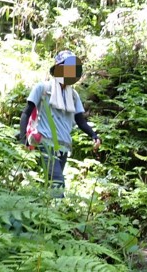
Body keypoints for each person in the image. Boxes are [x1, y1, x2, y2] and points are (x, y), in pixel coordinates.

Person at [18, 50, 100, 197]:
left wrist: (93, 135)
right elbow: (26, 112)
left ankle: (42, 214)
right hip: (45, 143)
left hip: (63, 146)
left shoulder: (73, 96)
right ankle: (60, 214)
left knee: (52, 186)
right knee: (57, 182)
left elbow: (80, 120)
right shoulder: (43, 88)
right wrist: (23, 138)